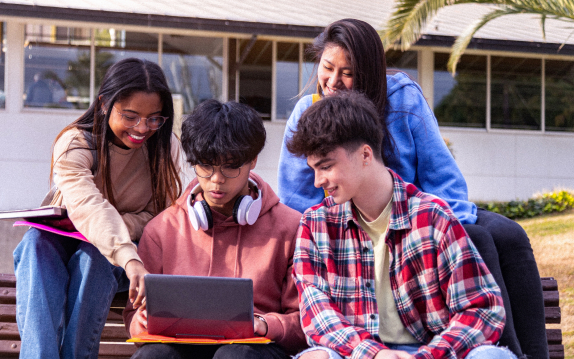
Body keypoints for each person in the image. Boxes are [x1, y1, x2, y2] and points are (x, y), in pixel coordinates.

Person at [278, 18, 546, 358]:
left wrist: (443, 225)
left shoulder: (402, 97)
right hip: (347, 222)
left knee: (508, 235)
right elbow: (296, 197)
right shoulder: (308, 114)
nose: (334, 81)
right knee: (479, 240)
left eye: (347, 72)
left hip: (414, 215)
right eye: (327, 68)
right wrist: (326, 229)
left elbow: (439, 170)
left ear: (370, 72)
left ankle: (525, 353)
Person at [288, 91, 515, 359]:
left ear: (364, 155)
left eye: (325, 166)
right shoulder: (315, 225)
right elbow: (317, 316)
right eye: (313, 169)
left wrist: (429, 356)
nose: (317, 181)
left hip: (431, 352)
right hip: (358, 354)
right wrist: (373, 354)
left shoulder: (432, 217)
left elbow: (482, 309)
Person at [13, 58, 186, 359]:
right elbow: (88, 206)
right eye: (130, 116)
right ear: (105, 104)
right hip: (66, 250)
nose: (142, 128)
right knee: (35, 244)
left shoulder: (163, 146)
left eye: (153, 118)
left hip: (113, 264)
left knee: (94, 254)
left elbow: (161, 216)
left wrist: (122, 244)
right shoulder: (75, 142)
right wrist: (126, 252)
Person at [123, 99, 308, 359]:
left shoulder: (291, 228)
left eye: (231, 167)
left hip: (255, 349)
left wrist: (265, 325)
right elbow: (134, 313)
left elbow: (305, 321)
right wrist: (139, 322)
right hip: (181, 346)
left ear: (253, 160)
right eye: (206, 166)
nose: (216, 179)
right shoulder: (162, 229)